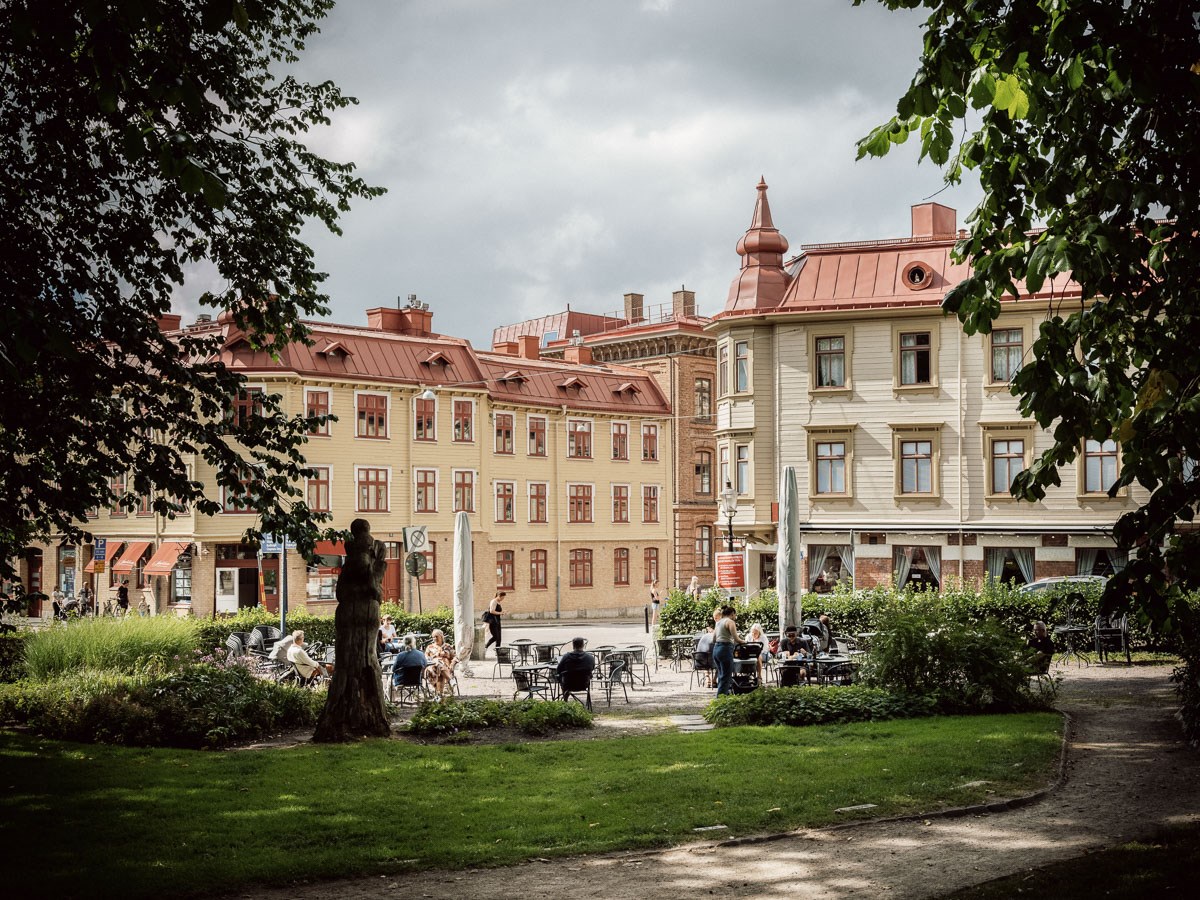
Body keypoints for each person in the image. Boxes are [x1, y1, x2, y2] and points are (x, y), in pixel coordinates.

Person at [712, 605, 745, 696]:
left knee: (721, 675)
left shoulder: (718, 622)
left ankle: (724, 695)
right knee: (726, 676)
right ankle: (720, 699)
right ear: (732, 614)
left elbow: (713, 639)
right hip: (725, 649)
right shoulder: (730, 622)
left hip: (716, 649)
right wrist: (744, 642)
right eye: (735, 615)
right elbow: (736, 639)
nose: (735, 617)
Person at [424, 629, 457, 697]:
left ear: (441, 637)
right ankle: (451, 681)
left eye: (436, 636)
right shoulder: (429, 647)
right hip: (432, 668)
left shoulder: (447, 646)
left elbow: (455, 657)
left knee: (440, 670)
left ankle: (439, 694)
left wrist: (452, 665)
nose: (435, 638)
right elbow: (426, 658)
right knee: (438, 665)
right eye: (433, 637)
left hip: (446, 668)